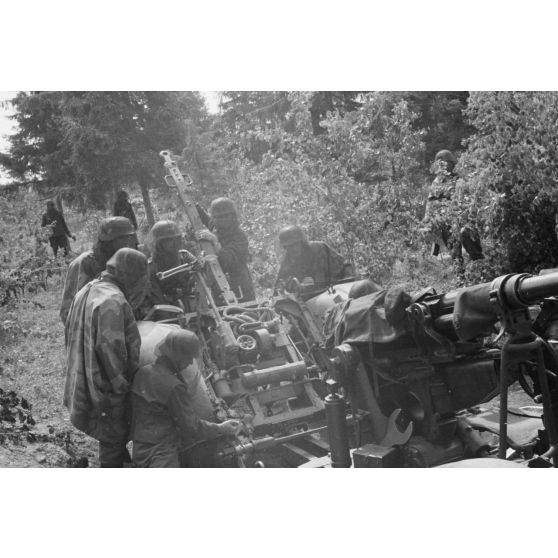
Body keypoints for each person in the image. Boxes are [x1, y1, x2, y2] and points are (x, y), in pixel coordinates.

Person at [64, 248, 148, 468]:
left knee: (111, 437)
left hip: (85, 378)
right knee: (113, 437)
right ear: (129, 274)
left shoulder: (88, 289)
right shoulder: (112, 300)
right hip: (105, 386)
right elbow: (111, 351)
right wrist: (123, 386)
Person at [131, 329, 240, 467]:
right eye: (188, 358)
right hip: (162, 453)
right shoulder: (174, 386)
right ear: (178, 357)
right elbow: (191, 427)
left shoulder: (143, 372)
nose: (190, 363)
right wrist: (221, 428)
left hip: (140, 448)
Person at [59, 216, 138, 324]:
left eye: (129, 237)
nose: (127, 243)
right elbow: (68, 311)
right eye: (121, 238)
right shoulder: (83, 263)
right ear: (107, 241)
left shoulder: (127, 260)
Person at [423, 150, 484, 265]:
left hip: (463, 219)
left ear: (452, 164)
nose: (444, 167)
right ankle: (460, 273)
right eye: (441, 165)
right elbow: (430, 203)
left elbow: (469, 201)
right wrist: (428, 221)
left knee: (468, 238)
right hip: (446, 222)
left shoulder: (460, 180)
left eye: (446, 164)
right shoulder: (436, 183)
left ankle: (479, 264)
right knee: (455, 254)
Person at [195, 197, 256, 302]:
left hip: (240, 290)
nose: (222, 220)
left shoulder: (239, 236)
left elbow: (228, 261)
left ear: (233, 216)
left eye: (225, 216)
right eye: (218, 217)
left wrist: (216, 244)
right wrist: (193, 204)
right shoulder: (215, 227)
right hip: (219, 289)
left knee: (246, 317)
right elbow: (204, 217)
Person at [141, 220, 198, 315]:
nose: (175, 243)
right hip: (169, 311)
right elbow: (157, 300)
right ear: (158, 243)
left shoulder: (185, 256)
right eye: (168, 240)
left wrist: (200, 268)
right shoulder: (151, 268)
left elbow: (204, 278)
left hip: (194, 306)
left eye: (177, 239)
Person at [274, 225, 353, 292]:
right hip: (312, 301)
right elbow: (280, 287)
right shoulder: (287, 263)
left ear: (301, 242)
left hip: (337, 291)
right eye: (290, 246)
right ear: (285, 247)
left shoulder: (320, 248)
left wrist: (348, 282)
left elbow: (345, 266)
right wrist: (294, 286)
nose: (294, 249)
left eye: (296, 244)